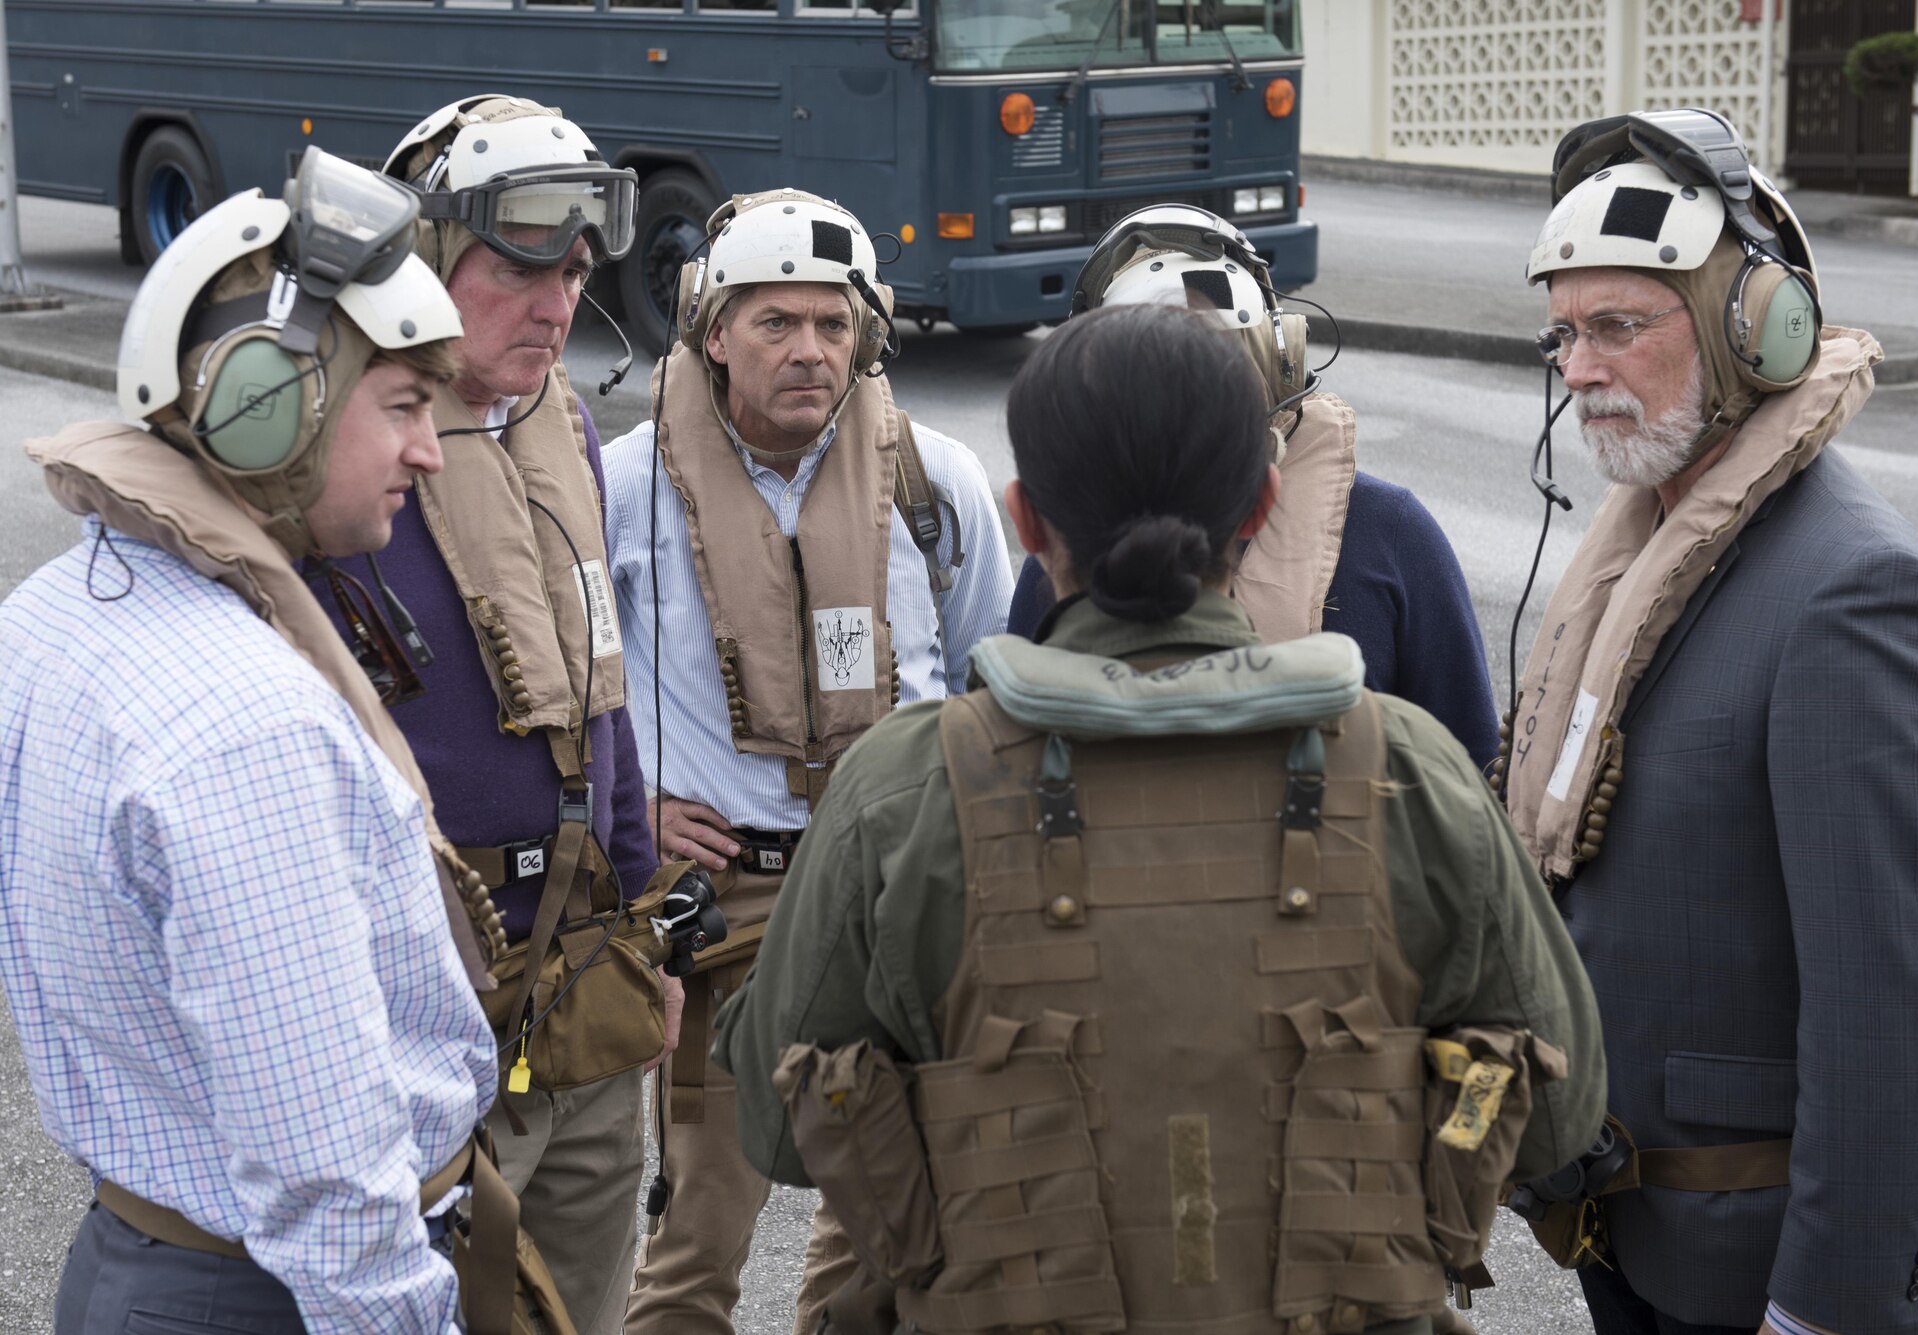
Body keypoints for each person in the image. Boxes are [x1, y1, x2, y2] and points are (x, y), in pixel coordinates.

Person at [712, 302, 1606, 1335]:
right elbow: (1559, 1110)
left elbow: (777, 1123)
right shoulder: (1408, 769)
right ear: (1263, 504)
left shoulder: (900, 790)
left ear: (1026, 521)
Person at [0, 152, 504, 1332]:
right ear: (270, 410)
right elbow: (325, 1175)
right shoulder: (246, 729)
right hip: (264, 1299)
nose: (429, 453)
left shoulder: (48, 615)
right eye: (403, 406)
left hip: (140, 1256)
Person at [1501, 108, 1918, 1335]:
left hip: (1746, 1277)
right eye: (1562, 332)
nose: (1577, 369)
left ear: (1752, 330)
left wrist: (1825, 1310)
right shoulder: (1639, 550)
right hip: (1625, 1234)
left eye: (1615, 326)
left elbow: (1888, 1008)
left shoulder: (1850, 594)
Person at [602, 187, 1013, 1335]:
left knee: (885, 1241)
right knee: (691, 1249)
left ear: (867, 337)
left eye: (833, 325)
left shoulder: (937, 486)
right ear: (712, 330)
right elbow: (572, 678)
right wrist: (631, 801)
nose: (808, 351)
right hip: (718, 903)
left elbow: (995, 680)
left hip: (892, 898)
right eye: (775, 323)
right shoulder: (625, 485)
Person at [360, 94, 674, 1335]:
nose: (557, 308)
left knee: (584, 1311)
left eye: (577, 275)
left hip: (585, 971)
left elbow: (606, 699)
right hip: (430, 997)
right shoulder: (352, 449)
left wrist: (647, 929)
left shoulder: (566, 427)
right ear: (429, 259)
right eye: (519, 270)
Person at [1006, 205, 1499, 763]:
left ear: (1278, 362)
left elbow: (1471, 756)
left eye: (1210, 367)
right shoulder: (1068, 537)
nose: (1185, 403)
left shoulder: (1391, 533)